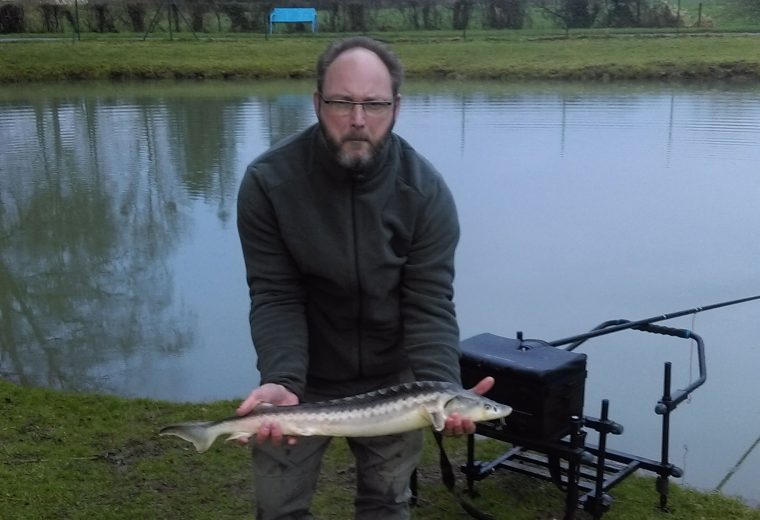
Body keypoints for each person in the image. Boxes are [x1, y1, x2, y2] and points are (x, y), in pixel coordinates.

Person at [236, 36, 493, 520]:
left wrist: (443, 389)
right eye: (341, 102)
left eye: (374, 104)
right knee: (278, 509)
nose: (358, 120)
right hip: (303, 378)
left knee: (386, 504)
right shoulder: (268, 183)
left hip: (394, 382)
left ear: (396, 107)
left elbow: (430, 302)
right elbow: (275, 294)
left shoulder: (425, 192)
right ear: (317, 103)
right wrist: (281, 379)